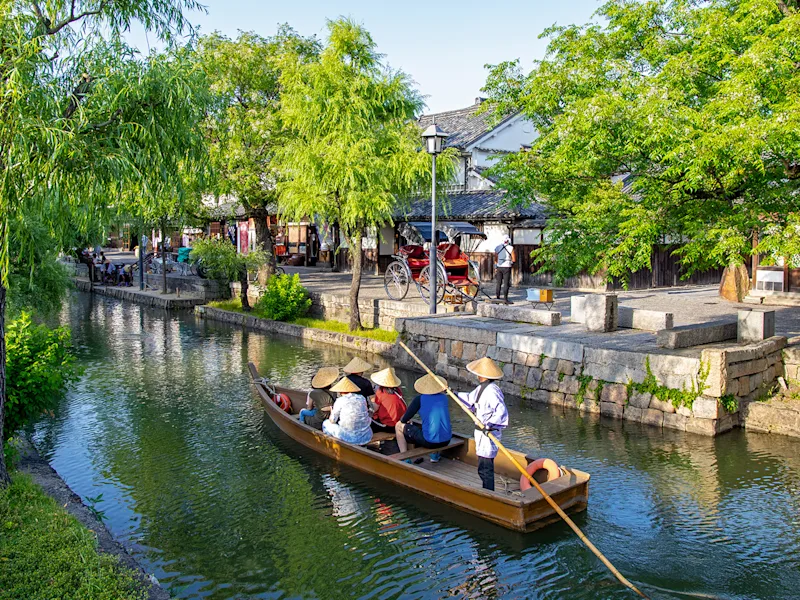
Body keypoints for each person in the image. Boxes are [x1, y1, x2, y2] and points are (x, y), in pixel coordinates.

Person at [457, 357, 508, 491]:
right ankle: (487, 490)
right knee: (483, 466)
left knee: (485, 468)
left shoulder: (492, 391)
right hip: (481, 432)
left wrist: (490, 425)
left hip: (488, 433)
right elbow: (470, 400)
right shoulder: (482, 389)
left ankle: (489, 493)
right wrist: (453, 393)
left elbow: (501, 411)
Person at [395, 374, 452, 464]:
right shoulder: (444, 398)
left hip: (429, 441)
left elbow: (404, 419)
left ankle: (405, 458)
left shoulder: (420, 399)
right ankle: (434, 455)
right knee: (432, 424)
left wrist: (404, 421)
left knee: (398, 426)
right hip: (447, 440)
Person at [322, 377, 373, 445]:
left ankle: (332, 445)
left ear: (340, 391)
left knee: (326, 423)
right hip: (367, 436)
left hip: (349, 438)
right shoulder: (362, 398)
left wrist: (332, 412)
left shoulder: (340, 400)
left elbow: (332, 420)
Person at [369, 368, 407, 433]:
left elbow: (374, 409)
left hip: (389, 426)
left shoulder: (381, 392)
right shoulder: (397, 390)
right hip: (399, 423)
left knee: (367, 421)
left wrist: (370, 403)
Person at [494, 235, 516, 304]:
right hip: (507, 266)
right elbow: (514, 259)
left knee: (498, 283)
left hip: (499, 266)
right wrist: (511, 262)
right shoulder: (511, 248)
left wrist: (495, 267)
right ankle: (505, 299)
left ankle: (497, 297)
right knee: (506, 283)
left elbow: (495, 258)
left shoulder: (497, 247)